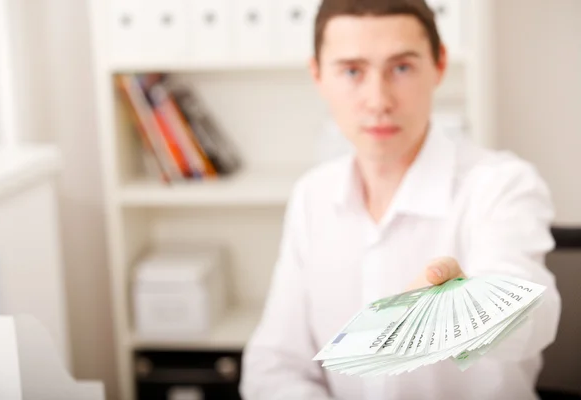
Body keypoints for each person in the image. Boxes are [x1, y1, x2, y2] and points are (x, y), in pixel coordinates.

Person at [240, 0, 561, 399]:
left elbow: (535, 313)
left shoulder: (500, 185)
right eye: (352, 71)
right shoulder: (312, 195)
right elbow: (275, 364)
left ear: (439, 65)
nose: (378, 100)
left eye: (402, 68)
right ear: (318, 75)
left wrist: (467, 309)